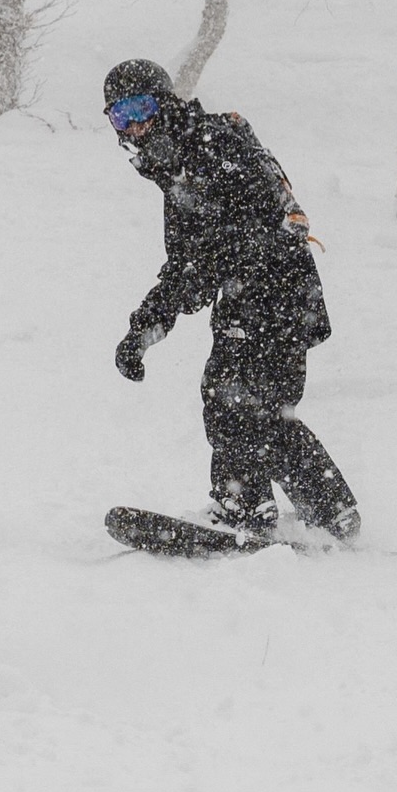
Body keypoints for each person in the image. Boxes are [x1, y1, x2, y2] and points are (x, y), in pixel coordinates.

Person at [104, 58, 359, 540]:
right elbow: (186, 265)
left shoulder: (216, 145)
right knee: (242, 403)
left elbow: (257, 228)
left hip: (278, 293)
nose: (134, 124)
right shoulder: (176, 164)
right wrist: (144, 328)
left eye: (142, 107)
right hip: (247, 296)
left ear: (165, 103)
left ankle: (259, 508)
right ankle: (302, 510)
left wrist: (215, 263)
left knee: (241, 401)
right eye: (121, 115)